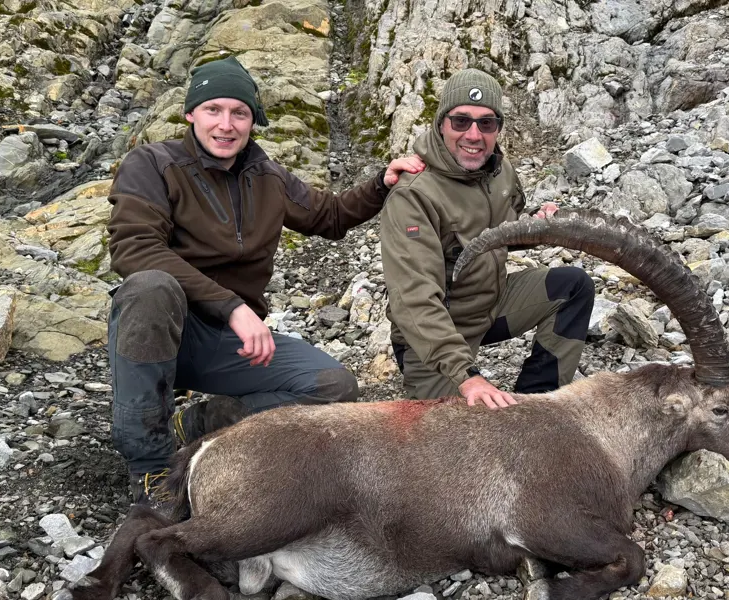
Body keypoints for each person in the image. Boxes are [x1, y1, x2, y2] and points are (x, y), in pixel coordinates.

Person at [105, 55, 425, 506]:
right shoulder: (153, 164)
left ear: (253, 120)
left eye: (239, 113)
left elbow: (329, 216)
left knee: (333, 389)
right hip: (160, 331)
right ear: (190, 113)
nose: (226, 124)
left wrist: (381, 183)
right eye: (213, 109)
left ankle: (195, 426)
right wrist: (232, 306)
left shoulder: (267, 177)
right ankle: (150, 468)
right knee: (149, 286)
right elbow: (133, 248)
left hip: (225, 344)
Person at [380, 68, 595, 409]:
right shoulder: (414, 195)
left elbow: (504, 229)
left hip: (489, 307)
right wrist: (468, 376)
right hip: (433, 334)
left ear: (498, 128)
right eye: (461, 121)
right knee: (457, 440)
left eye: (487, 123)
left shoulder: (498, 171)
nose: (474, 135)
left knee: (572, 286)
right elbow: (414, 300)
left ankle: (535, 405)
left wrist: (537, 227)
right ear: (441, 124)